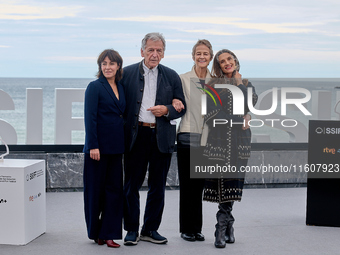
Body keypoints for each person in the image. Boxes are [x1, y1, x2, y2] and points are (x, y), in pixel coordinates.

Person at [121, 32, 186, 245]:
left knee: (157, 187)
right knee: (132, 185)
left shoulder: (172, 76)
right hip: (136, 136)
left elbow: (180, 107)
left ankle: (150, 229)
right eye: (151, 50)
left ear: (164, 54)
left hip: (161, 138)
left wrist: (166, 109)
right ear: (142, 51)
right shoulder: (127, 74)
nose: (154, 54)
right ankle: (131, 229)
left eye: (159, 50)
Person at [203, 49, 257, 248]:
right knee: (223, 183)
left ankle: (222, 226)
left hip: (240, 140)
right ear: (218, 65)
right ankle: (225, 225)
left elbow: (251, 104)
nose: (227, 63)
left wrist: (240, 85)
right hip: (219, 140)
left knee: (233, 183)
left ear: (235, 60)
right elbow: (210, 113)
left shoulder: (246, 83)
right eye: (222, 61)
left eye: (229, 59)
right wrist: (240, 117)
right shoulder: (212, 84)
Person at [83, 49, 125, 248]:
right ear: (100, 67)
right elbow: (90, 118)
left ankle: (109, 234)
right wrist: (93, 145)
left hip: (116, 148)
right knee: (95, 192)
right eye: (104, 64)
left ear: (118, 66)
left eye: (111, 64)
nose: (107, 67)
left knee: (114, 192)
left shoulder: (121, 87)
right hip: (97, 149)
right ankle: (95, 232)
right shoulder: (94, 87)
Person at [177, 39, 213, 242]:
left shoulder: (216, 81)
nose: (201, 57)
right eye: (198, 53)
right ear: (193, 56)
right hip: (187, 135)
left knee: (199, 186)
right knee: (187, 185)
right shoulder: (182, 79)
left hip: (207, 138)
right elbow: (175, 100)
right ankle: (185, 229)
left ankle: (196, 228)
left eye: (205, 54)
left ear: (210, 57)